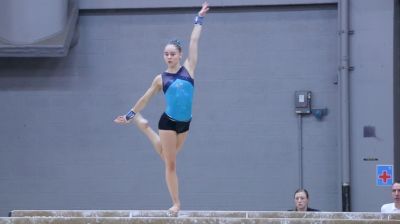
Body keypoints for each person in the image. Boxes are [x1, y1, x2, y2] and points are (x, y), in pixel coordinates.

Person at [114, 2, 210, 216]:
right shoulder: (161, 78)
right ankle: (176, 203)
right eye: (166, 54)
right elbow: (145, 98)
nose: (169, 57)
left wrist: (199, 18)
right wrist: (130, 115)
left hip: (185, 123)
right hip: (167, 122)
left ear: (179, 54)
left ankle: (145, 128)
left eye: (172, 54)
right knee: (171, 164)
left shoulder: (189, 69)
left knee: (167, 155)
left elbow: (194, 40)